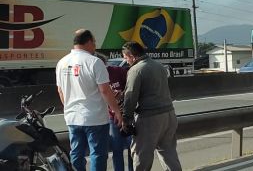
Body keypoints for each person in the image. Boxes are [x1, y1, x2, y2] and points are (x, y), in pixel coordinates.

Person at [56, 29, 124, 171]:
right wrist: (116, 110)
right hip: (95, 118)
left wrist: (69, 108)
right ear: (88, 42)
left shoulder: (61, 63)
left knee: (76, 153)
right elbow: (105, 90)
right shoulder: (94, 62)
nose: (95, 46)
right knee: (97, 154)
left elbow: (60, 90)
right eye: (94, 42)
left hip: (72, 118)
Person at [121, 41, 182, 171]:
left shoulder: (136, 70)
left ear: (132, 56)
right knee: (169, 154)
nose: (126, 61)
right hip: (169, 115)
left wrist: (126, 119)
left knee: (141, 156)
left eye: (126, 58)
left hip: (149, 119)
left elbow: (130, 97)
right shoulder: (159, 66)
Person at [95, 54, 133, 171]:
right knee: (117, 148)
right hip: (111, 116)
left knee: (132, 146)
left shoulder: (118, 71)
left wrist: (121, 93)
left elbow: (131, 87)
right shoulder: (93, 76)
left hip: (126, 114)